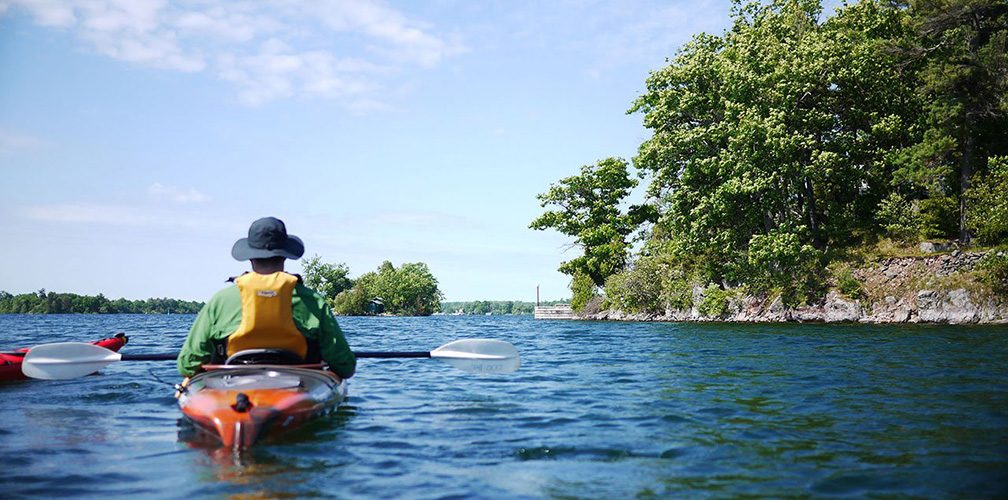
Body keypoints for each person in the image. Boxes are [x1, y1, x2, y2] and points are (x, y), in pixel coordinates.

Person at [177, 217, 356, 380]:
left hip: (232, 387)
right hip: (299, 385)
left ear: (250, 257)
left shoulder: (221, 300)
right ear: (285, 255)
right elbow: (345, 367)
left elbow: (187, 365)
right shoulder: (312, 300)